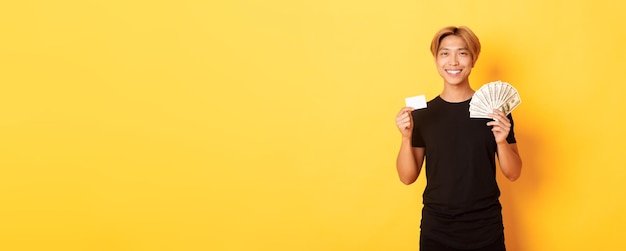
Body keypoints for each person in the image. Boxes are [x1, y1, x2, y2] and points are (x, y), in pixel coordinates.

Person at [394, 26, 522, 251]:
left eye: (462, 53)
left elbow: (513, 173)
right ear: (436, 60)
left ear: (473, 59)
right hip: (437, 227)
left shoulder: (495, 110)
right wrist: (406, 137)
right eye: (445, 53)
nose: (453, 61)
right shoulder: (422, 114)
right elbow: (407, 177)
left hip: (485, 226)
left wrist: (501, 141)